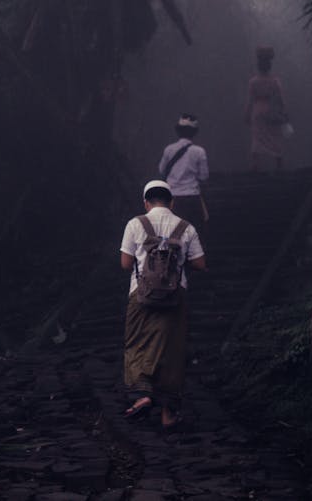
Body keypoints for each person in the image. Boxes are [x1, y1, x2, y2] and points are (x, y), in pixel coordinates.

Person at [119, 180, 207, 430]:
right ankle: (168, 413)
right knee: (173, 351)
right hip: (176, 296)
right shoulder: (186, 227)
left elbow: (126, 264)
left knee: (137, 343)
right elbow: (200, 264)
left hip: (140, 295)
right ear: (172, 202)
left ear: (146, 203)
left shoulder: (135, 224)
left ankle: (142, 394)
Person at [158, 114, 209, 222]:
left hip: (172, 198)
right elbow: (204, 176)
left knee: (172, 229)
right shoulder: (199, 152)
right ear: (194, 132)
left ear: (178, 131)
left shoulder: (169, 150)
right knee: (193, 228)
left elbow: (162, 171)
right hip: (192, 197)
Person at [246, 46, 289, 171]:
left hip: (257, 110)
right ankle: (279, 163)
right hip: (271, 109)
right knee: (275, 136)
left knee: (257, 136)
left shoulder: (253, 82)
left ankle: (255, 164)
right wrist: (284, 112)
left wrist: (247, 114)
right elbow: (280, 98)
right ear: (269, 66)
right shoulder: (275, 81)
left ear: (259, 67)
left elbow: (250, 100)